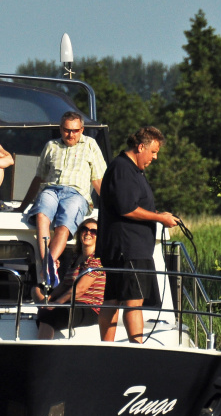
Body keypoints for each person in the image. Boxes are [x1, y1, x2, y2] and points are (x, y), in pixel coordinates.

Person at [96, 126, 178, 344]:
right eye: (153, 152)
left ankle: (108, 347)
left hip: (125, 247)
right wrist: (160, 218)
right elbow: (127, 208)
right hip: (129, 248)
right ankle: (136, 348)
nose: (155, 157)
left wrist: (158, 215)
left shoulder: (131, 170)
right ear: (140, 146)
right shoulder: (123, 168)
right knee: (133, 301)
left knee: (112, 299)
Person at [18, 111, 106, 286]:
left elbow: (97, 179)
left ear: (82, 130)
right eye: (66, 130)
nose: (70, 134)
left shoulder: (90, 145)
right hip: (51, 189)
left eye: (74, 130)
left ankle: (47, 264)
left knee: (64, 224)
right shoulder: (51, 145)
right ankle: (48, 263)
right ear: (60, 129)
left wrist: (112, 207)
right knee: (42, 215)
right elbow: (39, 178)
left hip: (77, 192)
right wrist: (22, 206)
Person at [35, 218, 104, 340]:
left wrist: (56, 304)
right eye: (85, 229)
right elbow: (64, 285)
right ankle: (45, 312)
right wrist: (49, 299)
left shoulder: (97, 260)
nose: (88, 233)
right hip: (72, 302)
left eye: (94, 231)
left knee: (48, 314)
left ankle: (43, 350)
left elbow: (80, 289)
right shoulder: (76, 258)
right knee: (35, 290)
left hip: (90, 307)